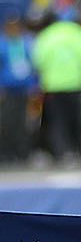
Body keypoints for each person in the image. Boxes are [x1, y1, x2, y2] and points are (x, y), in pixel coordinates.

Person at [31, 11, 81, 166]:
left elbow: (37, 61)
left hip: (53, 86)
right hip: (76, 84)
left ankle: (62, 153)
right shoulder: (77, 33)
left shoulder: (46, 36)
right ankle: (79, 152)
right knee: (77, 120)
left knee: (57, 122)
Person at [0, 15, 37, 165]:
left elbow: (34, 66)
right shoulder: (2, 45)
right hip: (7, 90)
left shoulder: (27, 43)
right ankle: (7, 153)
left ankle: (23, 153)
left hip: (24, 90)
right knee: (7, 122)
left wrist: (34, 86)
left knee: (24, 123)